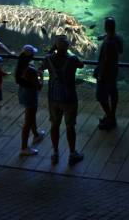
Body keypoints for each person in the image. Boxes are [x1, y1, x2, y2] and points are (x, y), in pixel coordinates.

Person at [41, 35, 85, 166]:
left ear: (56, 46)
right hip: (69, 98)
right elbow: (81, 65)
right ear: (68, 47)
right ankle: (72, 153)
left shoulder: (49, 59)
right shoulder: (72, 59)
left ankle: (55, 153)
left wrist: (52, 49)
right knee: (70, 126)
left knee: (54, 125)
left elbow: (42, 66)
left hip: (53, 98)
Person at [15, 45, 46, 156]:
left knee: (31, 116)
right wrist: (41, 76)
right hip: (31, 95)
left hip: (23, 93)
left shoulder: (20, 66)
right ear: (31, 56)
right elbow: (39, 87)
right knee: (28, 122)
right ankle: (24, 147)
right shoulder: (30, 70)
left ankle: (36, 135)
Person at [95, 17, 123, 130]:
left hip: (105, 73)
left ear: (106, 27)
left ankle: (111, 118)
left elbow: (105, 60)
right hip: (114, 72)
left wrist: (100, 74)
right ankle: (111, 116)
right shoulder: (117, 38)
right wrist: (104, 37)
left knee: (100, 96)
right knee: (113, 93)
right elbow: (121, 51)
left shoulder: (109, 43)